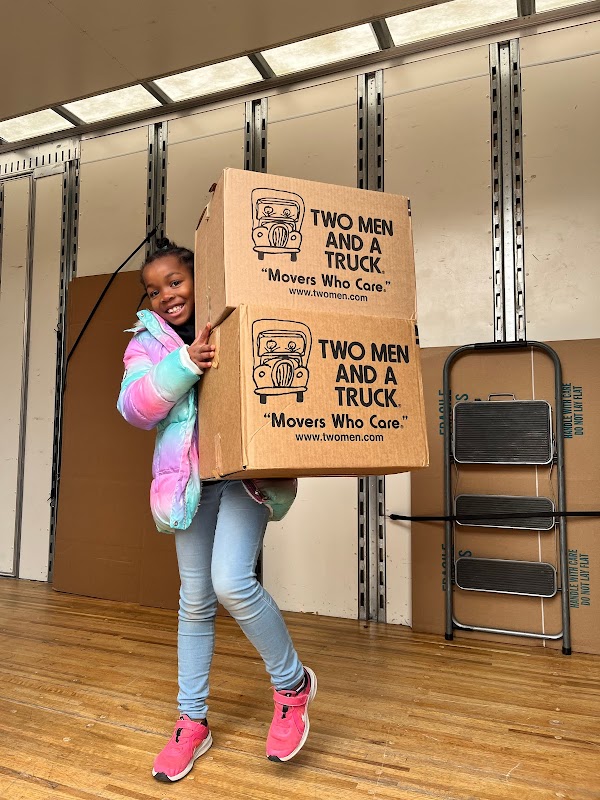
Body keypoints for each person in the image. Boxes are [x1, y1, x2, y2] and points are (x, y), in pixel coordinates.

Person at [117, 239, 316, 783]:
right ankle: (192, 721)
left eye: (175, 282)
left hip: (245, 476)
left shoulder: (241, 317)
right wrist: (185, 363)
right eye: (154, 290)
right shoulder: (147, 343)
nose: (166, 295)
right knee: (196, 599)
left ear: (199, 278)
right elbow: (134, 408)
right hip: (189, 483)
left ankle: (292, 685)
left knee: (231, 581)